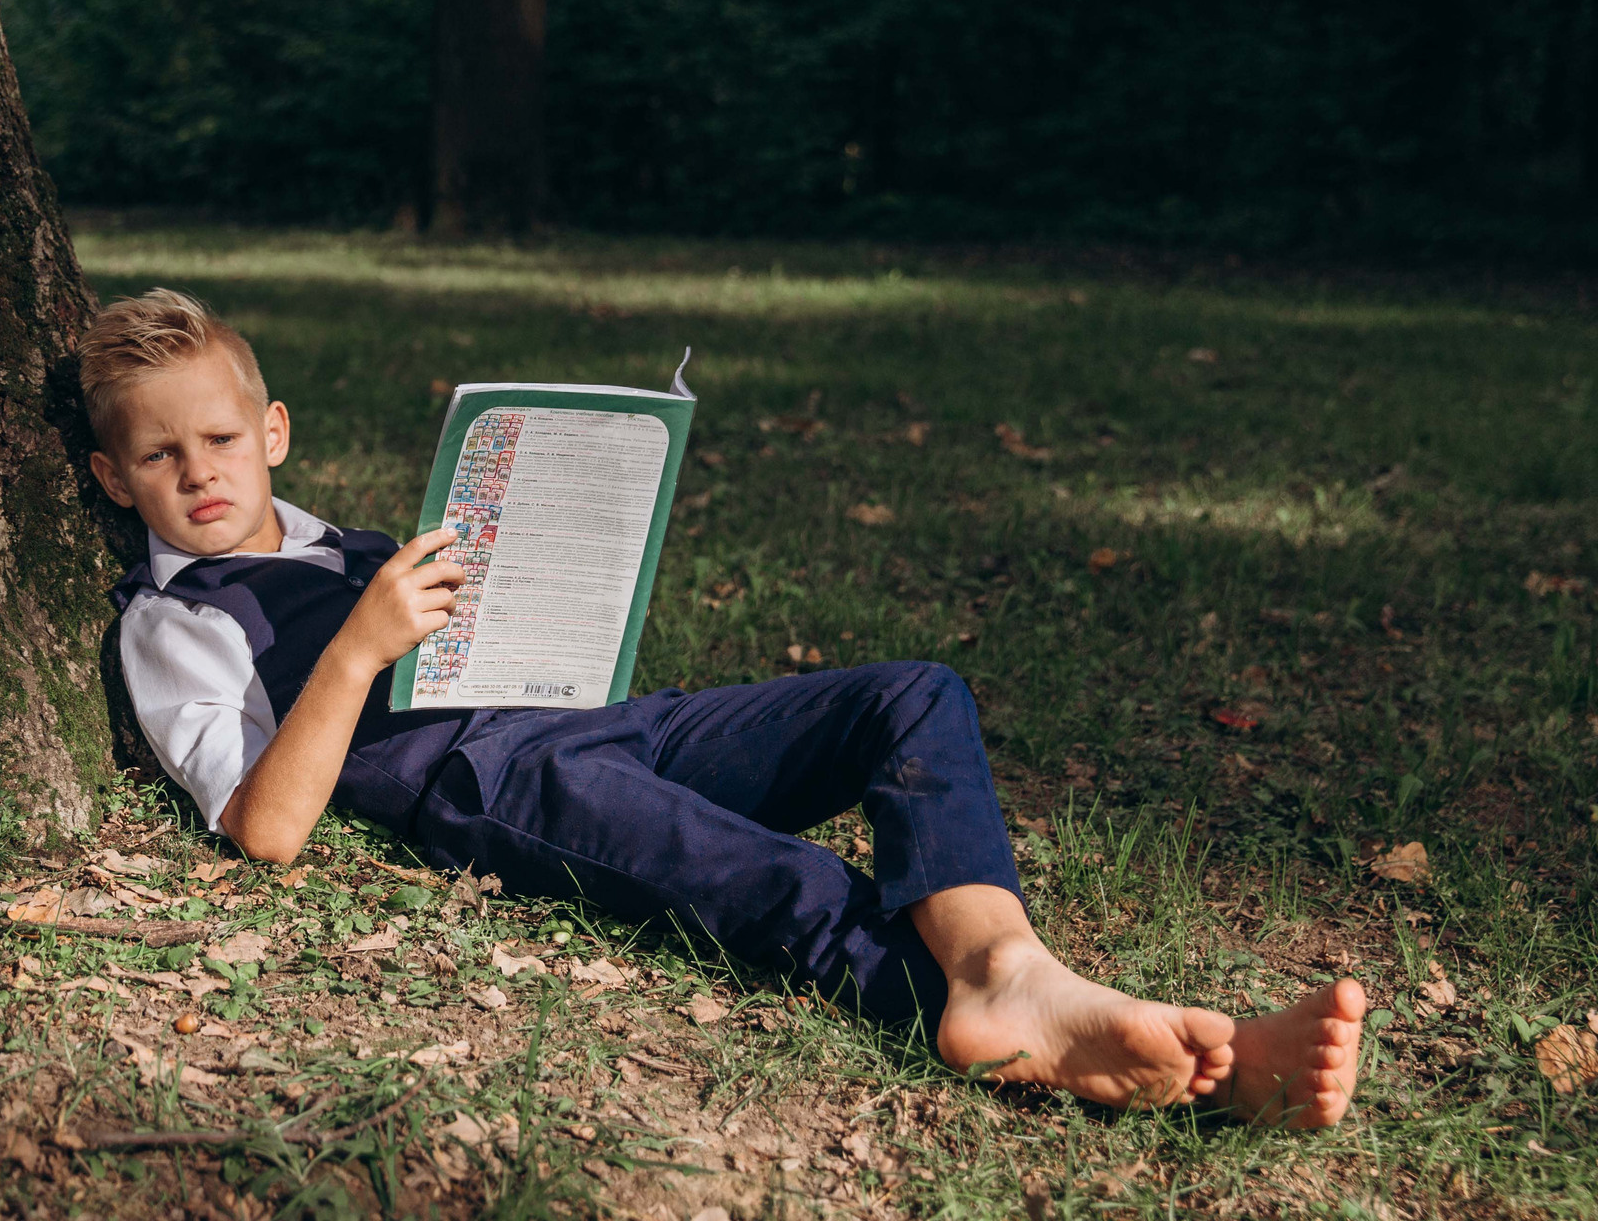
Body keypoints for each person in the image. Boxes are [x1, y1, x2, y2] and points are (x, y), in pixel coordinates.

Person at [81, 288, 1364, 1126]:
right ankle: (1210, 1074)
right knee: (763, 878)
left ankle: (1003, 965)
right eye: (157, 454)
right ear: (111, 474)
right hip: (489, 786)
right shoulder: (174, 623)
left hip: (578, 724)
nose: (197, 472)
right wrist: (358, 655)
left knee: (909, 697)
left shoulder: (330, 539)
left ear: (275, 434)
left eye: (221, 440)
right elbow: (265, 829)